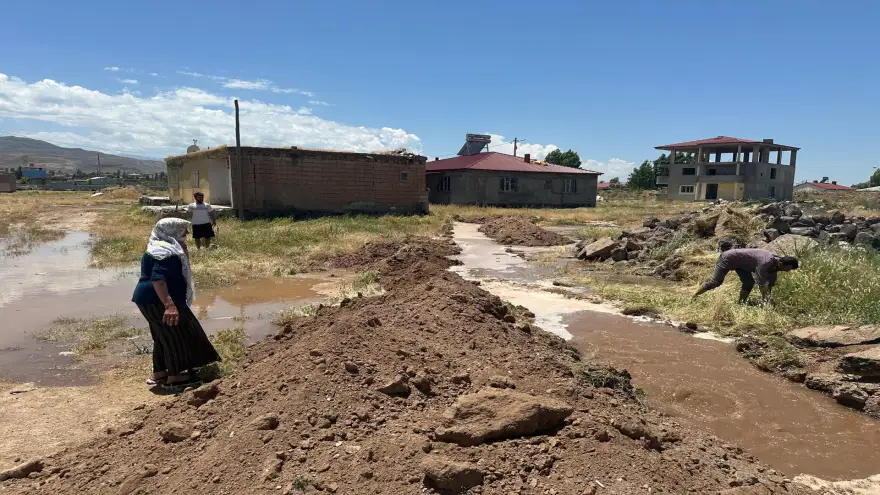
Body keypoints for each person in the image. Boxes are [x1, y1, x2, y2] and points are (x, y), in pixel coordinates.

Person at [131, 217, 220, 390]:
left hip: (146, 299)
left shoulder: (157, 247)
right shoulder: (166, 253)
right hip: (158, 299)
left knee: (161, 335)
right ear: (171, 232)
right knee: (175, 336)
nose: (186, 233)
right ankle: (176, 377)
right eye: (182, 230)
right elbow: (158, 280)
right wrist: (169, 305)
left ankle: (160, 373)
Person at [692, 248, 799, 304]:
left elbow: (769, 284)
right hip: (729, 258)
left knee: (748, 283)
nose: (788, 271)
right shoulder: (766, 262)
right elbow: (762, 285)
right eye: (788, 269)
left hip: (742, 264)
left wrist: (768, 299)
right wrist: (768, 302)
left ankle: (741, 303)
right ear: (781, 264)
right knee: (715, 283)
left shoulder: (776, 265)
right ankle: (694, 296)